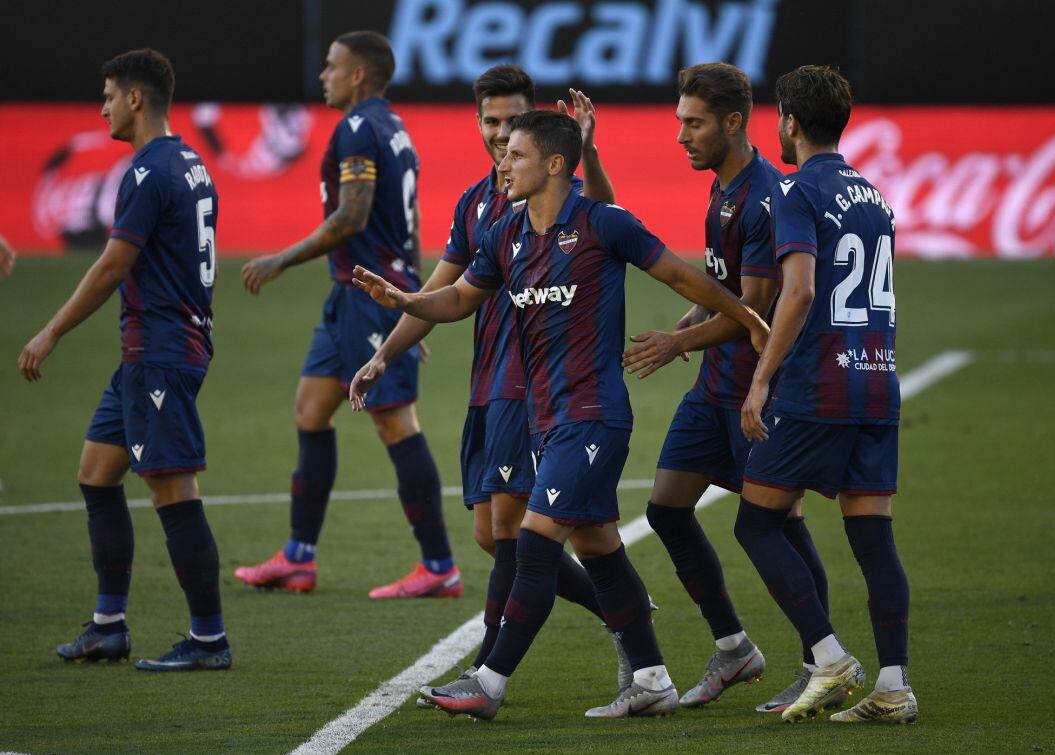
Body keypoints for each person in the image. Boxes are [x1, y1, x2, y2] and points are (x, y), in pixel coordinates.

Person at [354, 110, 769, 720]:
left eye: (515, 155)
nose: (503, 163)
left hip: (594, 416)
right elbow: (462, 297)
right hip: (543, 419)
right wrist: (407, 300)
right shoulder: (505, 234)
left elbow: (685, 277)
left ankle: (489, 682)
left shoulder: (604, 224)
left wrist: (750, 320)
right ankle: (652, 678)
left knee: (534, 539)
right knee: (598, 546)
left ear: (553, 163)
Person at [349, 65, 631, 699]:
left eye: (512, 123)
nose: (501, 136)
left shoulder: (557, 189)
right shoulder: (478, 203)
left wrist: (587, 147)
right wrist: (385, 353)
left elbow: (613, 222)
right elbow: (440, 294)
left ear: (537, 124)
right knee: (496, 534)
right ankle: (626, 620)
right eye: (491, 122)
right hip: (487, 382)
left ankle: (487, 670)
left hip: (531, 385)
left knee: (514, 533)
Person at [621, 62, 838, 714]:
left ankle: (817, 662)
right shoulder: (722, 189)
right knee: (665, 509)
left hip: (756, 396)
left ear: (733, 122)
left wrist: (676, 342)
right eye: (679, 122)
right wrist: (689, 322)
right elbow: (723, 290)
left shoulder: (766, 196)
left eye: (695, 123)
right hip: (713, 390)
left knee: (779, 523)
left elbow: (754, 311)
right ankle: (733, 647)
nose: (682, 136)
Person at [19, 48, 230, 671]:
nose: (102, 105)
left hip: (160, 350)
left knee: (172, 489)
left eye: (108, 94)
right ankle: (109, 625)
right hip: (158, 347)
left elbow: (115, 263)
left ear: (135, 98)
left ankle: (209, 639)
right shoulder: (190, 161)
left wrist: (50, 331)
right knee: (96, 472)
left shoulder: (145, 172)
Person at [236, 31, 459, 599]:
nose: (323, 76)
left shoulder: (358, 127)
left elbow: (352, 216)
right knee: (311, 410)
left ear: (359, 75)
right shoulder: (394, 127)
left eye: (332, 67)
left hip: (370, 294)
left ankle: (439, 566)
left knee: (394, 422)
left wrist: (281, 258)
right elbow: (402, 222)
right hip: (357, 294)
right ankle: (298, 558)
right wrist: (416, 302)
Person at [736, 65, 916, 724]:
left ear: (788, 119)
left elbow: (802, 289)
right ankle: (894, 686)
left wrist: (761, 380)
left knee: (756, 521)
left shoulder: (795, 190)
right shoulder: (873, 194)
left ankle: (829, 656)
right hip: (878, 379)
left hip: (820, 384)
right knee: (873, 539)